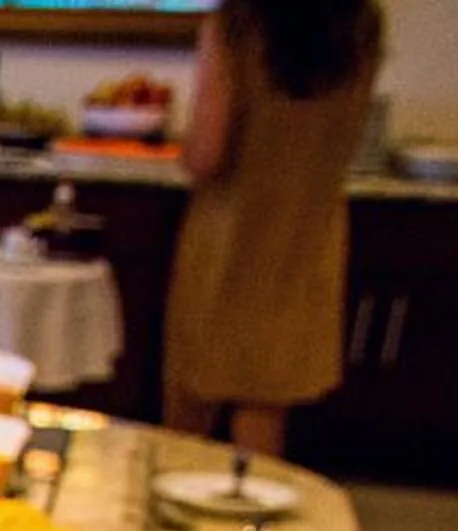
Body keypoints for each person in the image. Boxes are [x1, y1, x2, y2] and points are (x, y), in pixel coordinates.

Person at [162, 0, 386, 456]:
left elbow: (208, 154)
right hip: (308, 234)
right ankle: (256, 518)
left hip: (231, 235)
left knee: (193, 398)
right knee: (266, 397)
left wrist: (179, 151)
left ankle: (174, 508)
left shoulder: (237, 25)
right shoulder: (360, 25)